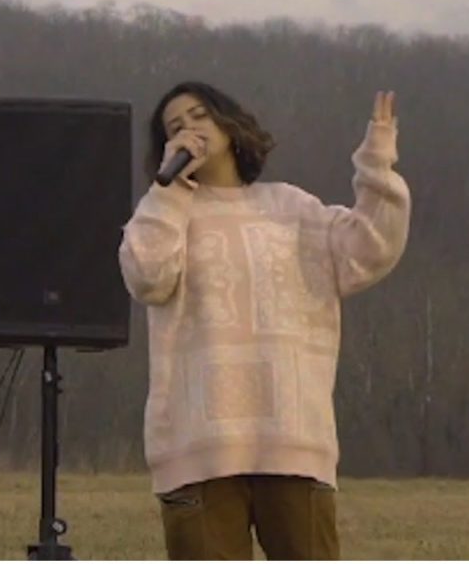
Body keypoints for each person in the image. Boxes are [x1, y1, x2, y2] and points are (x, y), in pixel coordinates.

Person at [118, 81, 410, 560]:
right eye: (175, 127)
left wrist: (377, 164)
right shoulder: (164, 212)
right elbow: (147, 276)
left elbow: (370, 249)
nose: (189, 129)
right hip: (199, 445)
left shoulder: (293, 208)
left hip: (292, 436)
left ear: (229, 124)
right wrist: (168, 192)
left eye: (199, 116)